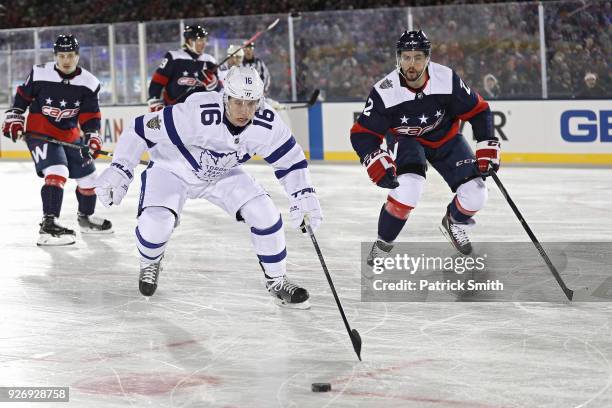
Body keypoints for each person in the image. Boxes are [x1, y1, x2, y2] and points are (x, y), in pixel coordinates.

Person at [94, 66, 322, 309]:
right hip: (173, 168)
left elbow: (291, 161)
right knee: (155, 226)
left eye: (252, 103)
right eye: (238, 102)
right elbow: (140, 129)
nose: (244, 111)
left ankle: (277, 280)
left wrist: (303, 195)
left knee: (265, 213)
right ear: (225, 97)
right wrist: (121, 168)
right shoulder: (195, 112)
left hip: (221, 174)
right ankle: (150, 261)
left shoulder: (267, 123)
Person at [350, 30, 500, 260]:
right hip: (405, 140)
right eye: (406, 57)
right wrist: (373, 158)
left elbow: (478, 110)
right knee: (408, 189)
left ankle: (454, 222)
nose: (412, 64)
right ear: (398, 58)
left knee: (477, 194)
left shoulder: (446, 78)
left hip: (446, 138)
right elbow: (363, 133)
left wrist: (487, 142)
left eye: (418, 57)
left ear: (428, 58)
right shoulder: (385, 91)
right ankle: (383, 243)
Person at [1, 34, 113, 246]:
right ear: (55, 56)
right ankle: (49, 225)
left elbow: (90, 116)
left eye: (70, 55)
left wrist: (92, 136)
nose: (66, 60)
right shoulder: (39, 72)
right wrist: (15, 116)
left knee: (89, 178)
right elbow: (22, 98)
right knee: (57, 171)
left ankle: (85, 218)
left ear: (78, 56)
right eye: (61, 56)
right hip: (39, 132)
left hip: (69, 134)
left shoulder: (90, 83)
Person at [147, 25, 220, 111]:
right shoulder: (174, 57)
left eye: (204, 40)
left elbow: (218, 89)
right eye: (200, 40)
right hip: (175, 109)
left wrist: (213, 83)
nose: (204, 43)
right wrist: (154, 100)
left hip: (200, 110)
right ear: (190, 41)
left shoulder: (209, 60)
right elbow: (158, 81)